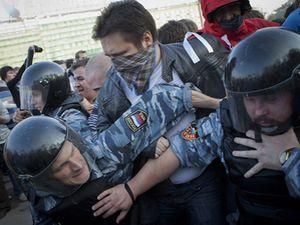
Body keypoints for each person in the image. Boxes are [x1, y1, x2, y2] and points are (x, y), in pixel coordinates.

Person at [93, 27, 300, 225]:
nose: (257, 111)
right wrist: (131, 189)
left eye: (270, 99)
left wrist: (289, 158)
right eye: (249, 99)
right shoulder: (225, 119)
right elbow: (180, 148)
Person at [92, 0, 228, 224]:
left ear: (146, 39)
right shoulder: (112, 88)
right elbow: (104, 133)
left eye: (122, 54)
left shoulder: (194, 60)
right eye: (110, 57)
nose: (116, 64)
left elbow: (227, 108)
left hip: (204, 183)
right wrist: (144, 144)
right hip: (155, 193)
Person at [4, 83, 197, 225]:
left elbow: (163, 99)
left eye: (74, 152)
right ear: (45, 180)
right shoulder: (41, 198)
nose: (78, 165)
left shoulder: (104, 152)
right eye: (62, 166)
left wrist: (131, 188)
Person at [199, 0, 279, 49]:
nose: (229, 17)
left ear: (241, 7)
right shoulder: (200, 42)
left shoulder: (260, 26)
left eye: (232, 7)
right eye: (220, 12)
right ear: (212, 15)